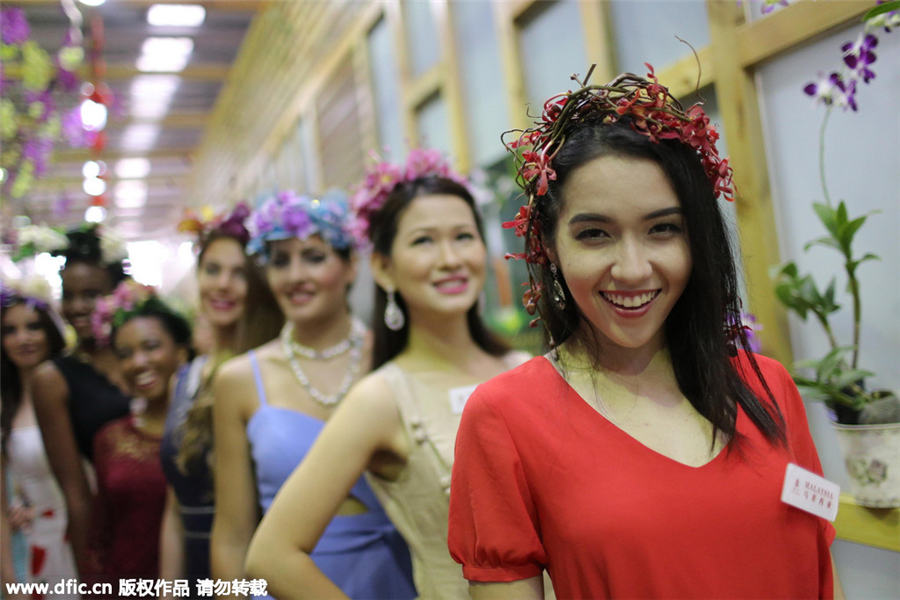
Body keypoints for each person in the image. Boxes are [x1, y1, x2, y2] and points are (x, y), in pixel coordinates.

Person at [447, 67, 841, 598]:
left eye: (663, 229)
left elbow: (820, 571)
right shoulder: (505, 416)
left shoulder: (768, 385)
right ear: (549, 244)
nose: (632, 268)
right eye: (595, 234)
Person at [244, 150, 526, 599]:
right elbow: (271, 556)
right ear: (382, 267)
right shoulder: (380, 398)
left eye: (463, 236)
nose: (450, 258)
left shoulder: (529, 372)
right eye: (423, 241)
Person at [211, 190, 415, 599]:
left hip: (397, 579)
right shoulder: (238, 380)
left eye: (314, 257)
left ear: (351, 265)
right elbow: (233, 534)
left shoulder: (396, 362)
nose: (295, 276)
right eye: (280, 261)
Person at [158, 203, 282, 591]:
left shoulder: (273, 373)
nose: (223, 284)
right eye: (213, 270)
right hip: (195, 571)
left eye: (240, 274)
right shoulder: (185, 376)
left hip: (260, 568)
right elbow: (174, 510)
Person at [29, 224, 132, 578]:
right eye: (68, 295)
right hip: (117, 532)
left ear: (118, 293)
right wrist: (92, 580)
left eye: (91, 294)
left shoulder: (146, 358)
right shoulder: (53, 379)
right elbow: (76, 494)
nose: (76, 307)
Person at [91, 281, 190, 585]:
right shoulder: (109, 438)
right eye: (125, 354)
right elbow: (100, 535)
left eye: (151, 347)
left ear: (181, 353)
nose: (138, 363)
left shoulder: (204, 433)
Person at [0, 279, 77, 596]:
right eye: (10, 330)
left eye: (33, 327)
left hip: (86, 532)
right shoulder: (4, 409)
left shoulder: (76, 389)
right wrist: (8, 581)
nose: (23, 339)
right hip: (37, 545)